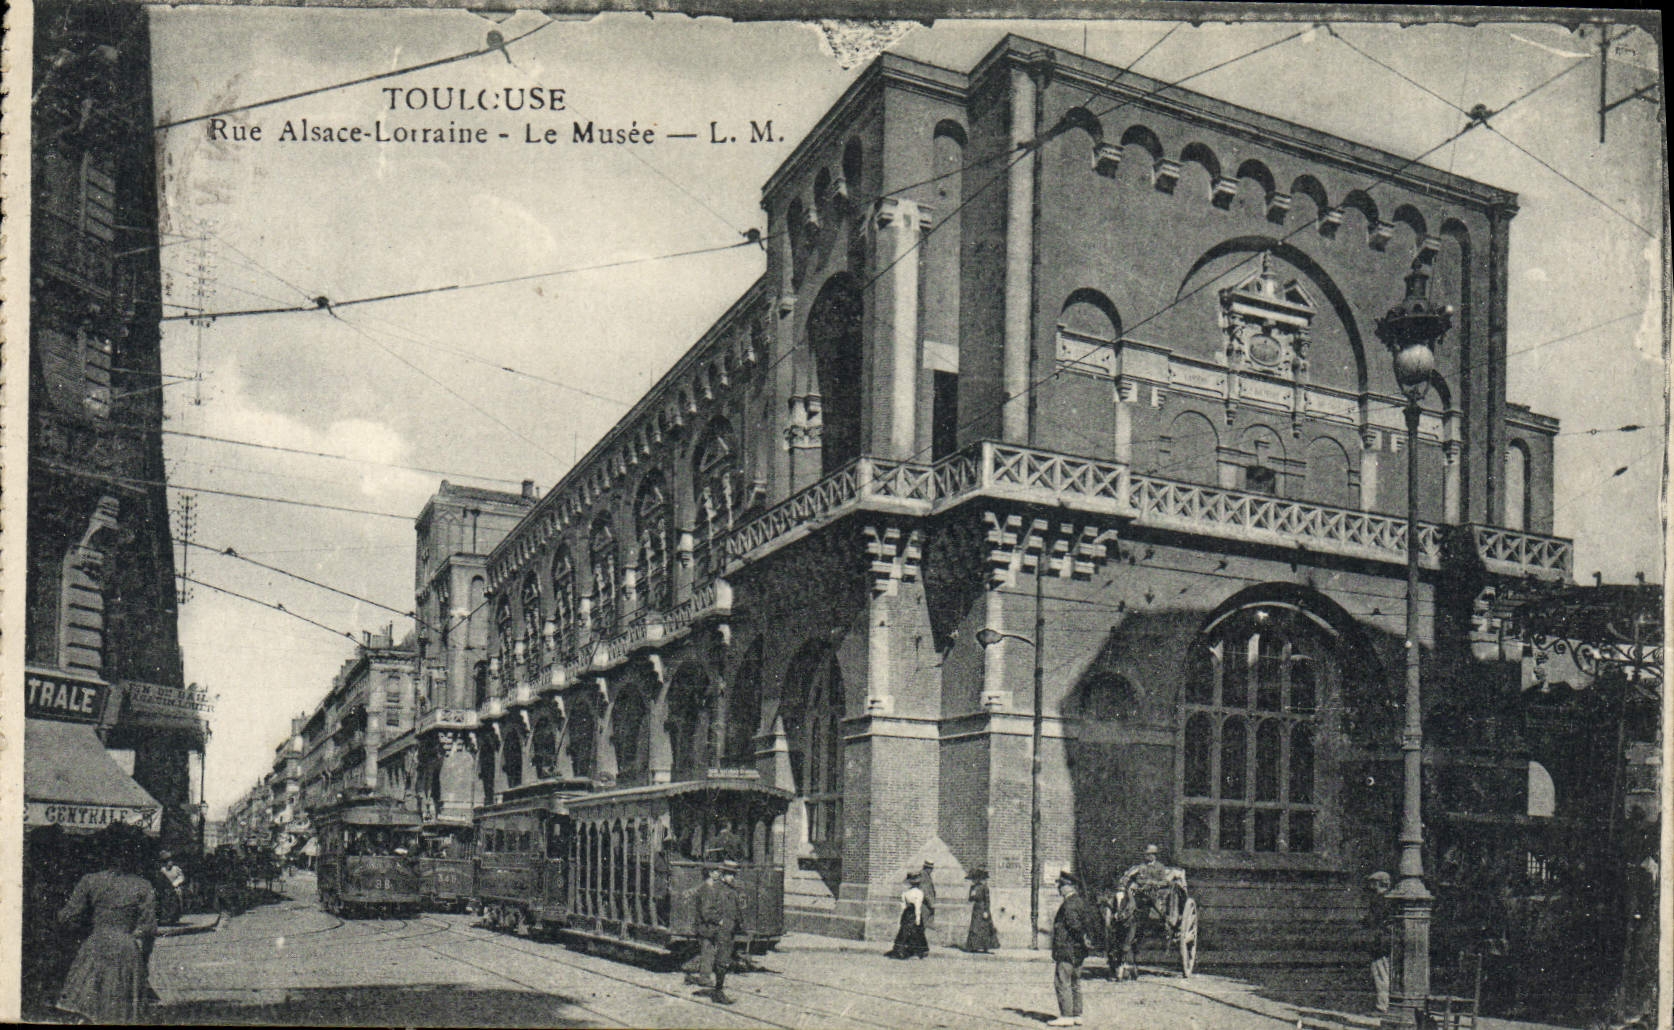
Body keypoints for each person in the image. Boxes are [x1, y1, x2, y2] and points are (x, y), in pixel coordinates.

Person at [56, 826, 158, 1024]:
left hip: (96, 945)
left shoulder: (90, 881)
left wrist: (84, 929)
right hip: (127, 950)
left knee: (88, 1008)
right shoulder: (143, 886)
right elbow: (148, 929)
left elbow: (67, 917)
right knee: (123, 1012)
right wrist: (143, 961)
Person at [1049, 869, 1095, 1027]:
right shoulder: (1080, 902)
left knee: (1062, 981)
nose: (1059, 889)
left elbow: (1073, 925)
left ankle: (1066, 1015)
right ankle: (1077, 1014)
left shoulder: (1069, 904)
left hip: (1067, 948)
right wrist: (1084, 941)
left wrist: (1078, 937)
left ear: (1069, 887)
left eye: (1061, 885)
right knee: (1076, 982)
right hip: (1078, 950)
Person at [691, 860, 741, 1004]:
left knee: (724, 960)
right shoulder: (715, 889)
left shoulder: (731, 890)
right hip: (721, 930)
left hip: (729, 929)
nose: (732, 877)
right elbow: (707, 911)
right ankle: (718, 993)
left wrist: (740, 925)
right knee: (721, 960)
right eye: (729, 874)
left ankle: (718, 990)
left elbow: (735, 910)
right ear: (723, 875)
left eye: (734, 875)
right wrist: (720, 921)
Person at [885, 871, 930, 959]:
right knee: (916, 933)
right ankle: (916, 953)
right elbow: (917, 906)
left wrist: (901, 917)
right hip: (913, 914)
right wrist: (917, 918)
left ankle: (900, 951)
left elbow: (903, 906)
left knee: (904, 932)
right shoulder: (919, 893)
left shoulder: (906, 893)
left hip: (906, 914)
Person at [1366, 871, 1393, 1014]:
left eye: (1373, 882)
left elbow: (1372, 920)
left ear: (1379, 883)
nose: (1371, 885)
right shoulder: (1390, 898)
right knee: (1385, 972)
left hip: (1380, 942)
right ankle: (1385, 1004)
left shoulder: (1378, 900)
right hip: (1387, 941)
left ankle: (1382, 1006)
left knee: (1380, 973)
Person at [964, 867, 999, 953]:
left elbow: (987, 900)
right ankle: (973, 946)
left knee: (985, 929)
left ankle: (986, 946)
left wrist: (986, 911)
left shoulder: (984, 888)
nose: (973, 881)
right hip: (976, 909)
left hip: (983, 909)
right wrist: (971, 895)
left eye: (974, 879)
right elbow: (970, 899)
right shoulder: (973, 887)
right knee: (975, 928)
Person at [919, 861, 938, 934]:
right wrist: (931, 903)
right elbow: (925, 891)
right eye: (931, 868)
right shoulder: (924, 876)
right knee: (922, 925)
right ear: (927, 868)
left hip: (925, 904)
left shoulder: (926, 875)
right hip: (924, 905)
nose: (932, 870)